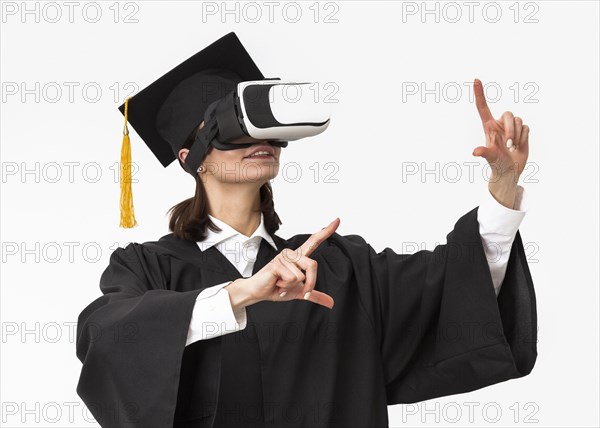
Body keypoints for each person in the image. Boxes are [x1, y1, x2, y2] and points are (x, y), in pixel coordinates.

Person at [75, 32, 537, 428]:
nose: (258, 141)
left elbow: (460, 286)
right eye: (231, 129)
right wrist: (241, 294)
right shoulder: (148, 268)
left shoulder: (340, 266)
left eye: (265, 127)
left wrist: (502, 186)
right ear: (190, 157)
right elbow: (107, 337)